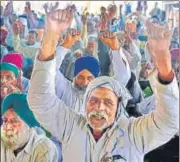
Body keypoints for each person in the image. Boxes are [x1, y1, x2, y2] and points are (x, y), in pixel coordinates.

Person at [27, 8, 179, 162]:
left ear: (118, 106)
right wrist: (50, 38)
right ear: (86, 102)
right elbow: (39, 100)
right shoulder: (71, 126)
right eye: (93, 101)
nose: (99, 108)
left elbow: (169, 122)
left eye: (108, 102)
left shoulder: (132, 133)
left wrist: (163, 62)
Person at [1, 93, 58, 162]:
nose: (8, 127)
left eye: (14, 121)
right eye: (5, 120)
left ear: (29, 125)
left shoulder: (45, 149)